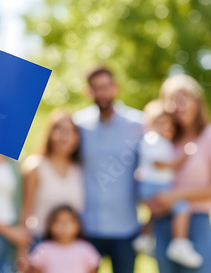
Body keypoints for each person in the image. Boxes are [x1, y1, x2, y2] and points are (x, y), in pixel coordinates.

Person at [73, 66, 144, 273]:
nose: (101, 93)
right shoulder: (78, 124)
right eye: (95, 88)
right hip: (87, 226)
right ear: (88, 91)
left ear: (116, 87)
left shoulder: (138, 124)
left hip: (126, 226)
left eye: (105, 87)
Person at [149, 74, 211, 273]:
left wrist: (175, 196)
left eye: (184, 98)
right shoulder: (161, 139)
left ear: (197, 101)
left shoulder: (208, 136)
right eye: (172, 100)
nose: (178, 105)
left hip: (197, 221)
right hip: (163, 222)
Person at [133, 99, 202, 268]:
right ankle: (179, 243)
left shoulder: (158, 140)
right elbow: (158, 163)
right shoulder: (153, 139)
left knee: (155, 213)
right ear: (151, 123)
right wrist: (181, 160)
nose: (167, 128)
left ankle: (144, 238)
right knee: (182, 208)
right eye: (161, 123)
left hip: (154, 185)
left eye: (169, 125)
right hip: (155, 186)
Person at [21, 110, 83, 250]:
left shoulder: (78, 169)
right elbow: (24, 211)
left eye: (71, 131)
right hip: (39, 242)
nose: (65, 136)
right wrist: (21, 250)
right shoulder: (35, 166)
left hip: (71, 244)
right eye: (59, 130)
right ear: (50, 134)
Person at [27, 205, 100, 273]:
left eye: (68, 222)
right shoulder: (43, 249)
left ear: (77, 225)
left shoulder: (86, 248)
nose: (64, 227)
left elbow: (92, 270)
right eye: (59, 222)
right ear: (50, 225)